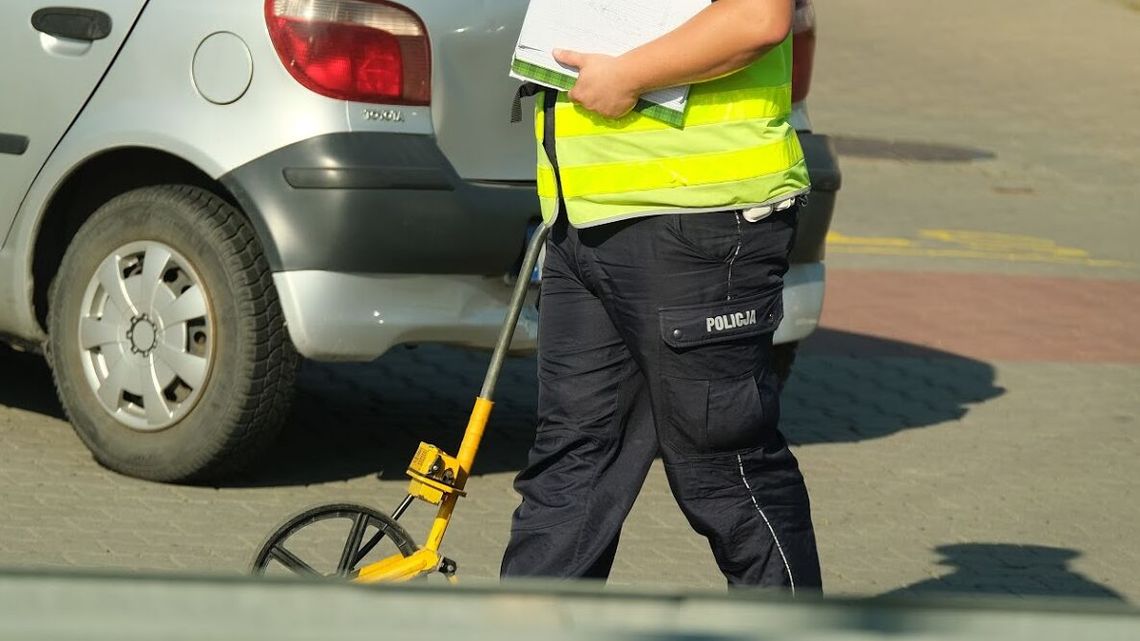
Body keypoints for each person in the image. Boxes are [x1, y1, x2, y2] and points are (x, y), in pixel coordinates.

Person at [501, 0, 822, 591]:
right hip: (586, 213)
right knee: (572, 464)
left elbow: (757, 18)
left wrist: (629, 76)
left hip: (699, 217)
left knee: (723, 468)